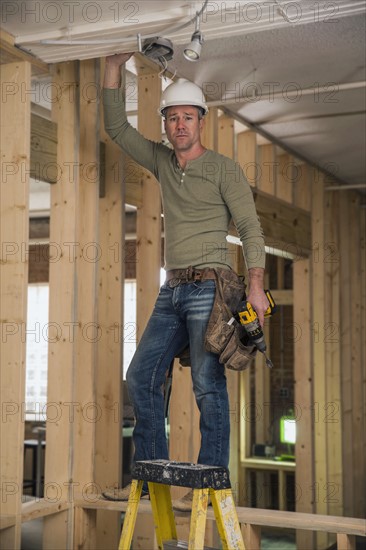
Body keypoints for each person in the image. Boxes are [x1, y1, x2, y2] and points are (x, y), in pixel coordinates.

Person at [102, 53, 268, 510]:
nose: (180, 125)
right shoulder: (161, 162)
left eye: (187, 117)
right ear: (166, 124)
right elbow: (117, 129)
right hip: (172, 288)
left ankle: (209, 488)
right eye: (172, 118)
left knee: (206, 384)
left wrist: (255, 285)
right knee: (140, 377)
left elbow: (251, 228)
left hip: (211, 288)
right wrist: (115, 69)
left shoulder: (223, 169)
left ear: (201, 121)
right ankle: (151, 481)